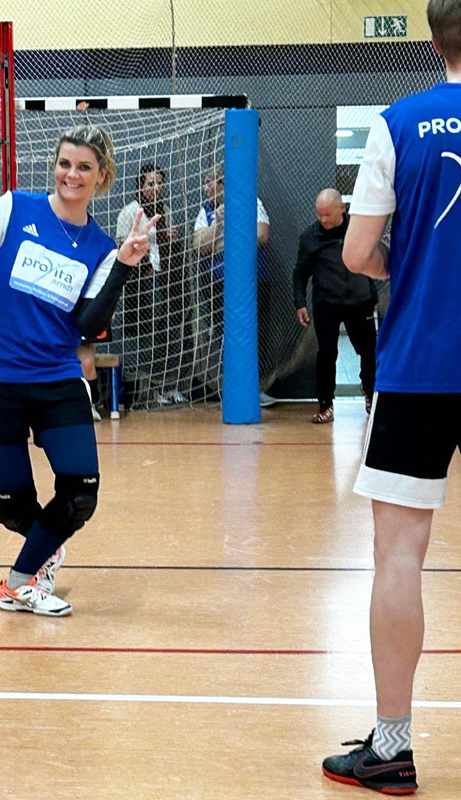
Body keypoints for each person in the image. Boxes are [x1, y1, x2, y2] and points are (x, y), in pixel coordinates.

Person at [321, 1, 461, 793]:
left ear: (433, 37)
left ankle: (394, 746)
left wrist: (403, 272)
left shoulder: (399, 123)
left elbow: (359, 250)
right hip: (420, 364)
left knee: (399, 554)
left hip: (419, 368)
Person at [0, 125, 159, 617]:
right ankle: (43, 550)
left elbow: (88, 325)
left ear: (102, 176)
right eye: (65, 163)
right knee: (13, 507)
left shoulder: (103, 246)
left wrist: (123, 263)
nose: (71, 174)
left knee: (81, 493)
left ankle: (19, 583)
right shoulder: (16, 207)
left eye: (84, 167)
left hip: (57, 379)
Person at [293, 189, 378, 424]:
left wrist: (372, 296)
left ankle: (370, 393)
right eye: (319, 215)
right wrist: (299, 302)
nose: (323, 220)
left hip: (359, 302)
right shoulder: (310, 238)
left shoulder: (359, 230)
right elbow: (300, 273)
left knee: (369, 351)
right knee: (327, 353)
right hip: (326, 303)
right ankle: (325, 403)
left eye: (328, 215)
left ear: (342, 209)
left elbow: (370, 263)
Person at [192, 166, 275, 406]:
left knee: (255, 334)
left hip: (253, 281)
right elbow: (198, 245)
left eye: (210, 183)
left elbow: (261, 235)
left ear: (223, 185)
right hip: (217, 283)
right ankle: (232, 389)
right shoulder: (206, 211)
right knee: (225, 335)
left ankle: (255, 389)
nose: (206, 188)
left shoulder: (250, 202)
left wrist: (222, 240)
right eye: (205, 182)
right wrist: (218, 226)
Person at [116, 164, 187, 406]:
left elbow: (167, 245)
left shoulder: (164, 210)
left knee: (172, 334)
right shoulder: (129, 212)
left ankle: (169, 385)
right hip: (144, 282)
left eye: (160, 183)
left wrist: (171, 238)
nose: (157, 188)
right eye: (151, 184)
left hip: (167, 279)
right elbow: (121, 248)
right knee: (151, 336)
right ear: (140, 186)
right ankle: (148, 391)